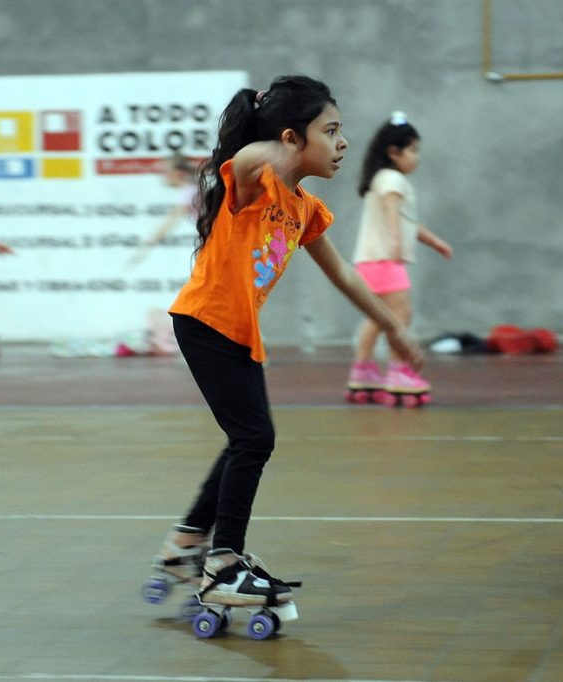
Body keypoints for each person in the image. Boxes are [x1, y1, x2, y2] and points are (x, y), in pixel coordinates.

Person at [148, 76, 424, 610]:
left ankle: (184, 546)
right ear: (293, 138)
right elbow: (248, 157)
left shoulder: (304, 209)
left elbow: (344, 274)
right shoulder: (252, 184)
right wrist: (281, 140)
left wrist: (392, 326)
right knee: (254, 439)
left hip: (237, 332)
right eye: (332, 130)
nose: (343, 143)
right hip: (204, 323)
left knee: (246, 439)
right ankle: (223, 563)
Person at [346, 111, 452, 407]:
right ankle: (398, 372)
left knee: (377, 318)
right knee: (400, 316)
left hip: (369, 260)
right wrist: (394, 242)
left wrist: (435, 242)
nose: (417, 157)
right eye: (413, 150)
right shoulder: (392, 178)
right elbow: (395, 213)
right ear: (394, 152)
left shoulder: (381, 178)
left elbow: (409, 224)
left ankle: (363, 371)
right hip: (384, 259)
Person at [127, 153, 199, 267]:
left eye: (165, 172)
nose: (163, 176)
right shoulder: (194, 188)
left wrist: (144, 249)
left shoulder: (189, 191)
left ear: (178, 173)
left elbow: (168, 224)